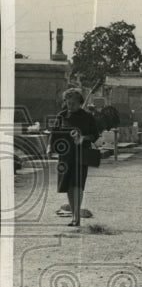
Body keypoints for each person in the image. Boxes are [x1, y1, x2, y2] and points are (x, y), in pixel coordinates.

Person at [51, 88, 100, 227]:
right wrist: (50, 147)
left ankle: (77, 217)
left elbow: (95, 135)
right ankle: (74, 214)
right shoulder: (62, 115)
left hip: (81, 155)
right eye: (67, 102)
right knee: (67, 185)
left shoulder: (87, 117)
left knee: (77, 185)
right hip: (65, 155)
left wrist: (83, 138)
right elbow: (54, 133)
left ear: (80, 102)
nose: (70, 105)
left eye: (73, 103)